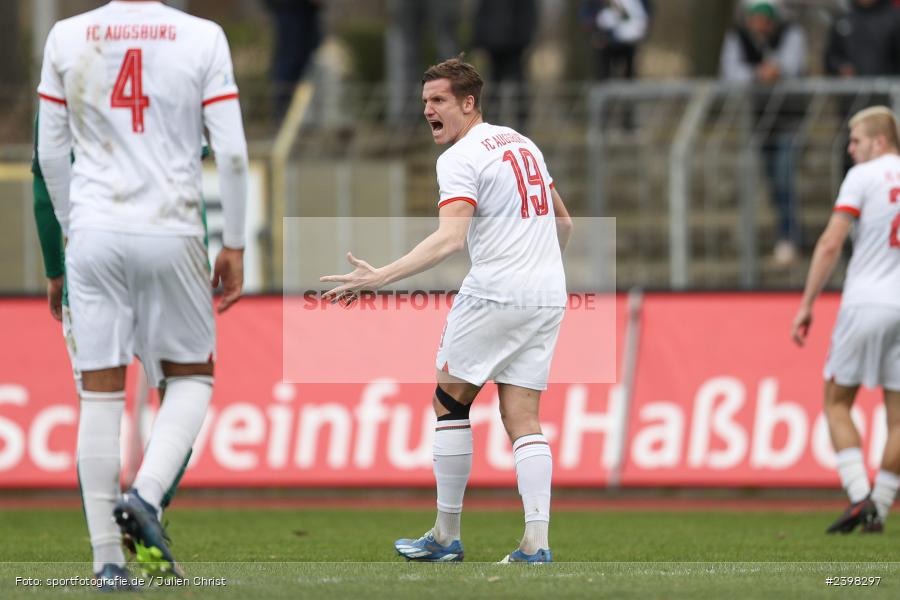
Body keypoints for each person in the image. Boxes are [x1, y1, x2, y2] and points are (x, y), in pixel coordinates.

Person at [321, 56, 573, 563]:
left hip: (496, 292)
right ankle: (536, 544)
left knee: (449, 402)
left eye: (438, 101)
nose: (428, 111)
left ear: (468, 103)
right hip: (548, 293)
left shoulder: (460, 158)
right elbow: (563, 225)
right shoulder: (522, 143)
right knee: (523, 416)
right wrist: (534, 270)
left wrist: (378, 278)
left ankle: (444, 537)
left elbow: (449, 240)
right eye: (424, 103)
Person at [37, 0, 248, 586]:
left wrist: (71, 228)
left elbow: (50, 153)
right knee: (191, 377)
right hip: (171, 227)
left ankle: (107, 560)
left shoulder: (65, 34)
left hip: (92, 232)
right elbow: (229, 151)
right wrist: (234, 240)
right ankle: (147, 499)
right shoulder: (202, 36)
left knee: (99, 396)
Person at [31, 115, 207, 574]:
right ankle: (148, 509)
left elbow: (43, 177)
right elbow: (195, 177)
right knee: (184, 393)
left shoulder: (69, 62)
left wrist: (55, 267)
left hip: (89, 262)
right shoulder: (174, 57)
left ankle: (107, 559)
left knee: (98, 405)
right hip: (164, 259)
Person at [791, 106, 900, 534]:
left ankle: (859, 496)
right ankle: (883, 507)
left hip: (866, 302)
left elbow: (831, 242)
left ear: (879, 141)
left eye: (856, 141)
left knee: (836, 402)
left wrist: (806, 303)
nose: (850, 149)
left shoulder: (863, 176)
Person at [720, 0, 807, 267]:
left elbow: (790, 66)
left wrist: (773, 70)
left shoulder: (790, 32)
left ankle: (790, 236)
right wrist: (758, 74)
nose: (759, 24)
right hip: (757, 122)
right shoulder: (738, 37)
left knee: (784, 178)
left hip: (787, 121)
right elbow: (730, 72)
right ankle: (777, 236)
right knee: (769, 181)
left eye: (764, 18)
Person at [825, 0, 900, 79]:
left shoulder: (895, 18)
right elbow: (832, 56)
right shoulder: (844, 19)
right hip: (853, 87)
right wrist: (840, 67)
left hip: (890, 86)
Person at [580, 0, 651, 82]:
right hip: (604, 43)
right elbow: (586, 16)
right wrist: (595, 30)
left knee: (630, 77)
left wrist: (642, 30)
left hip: (630, 43)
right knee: (604, 77)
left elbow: (646, 14)